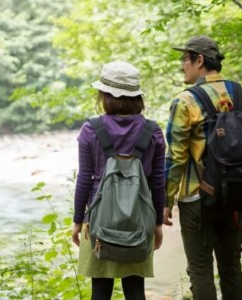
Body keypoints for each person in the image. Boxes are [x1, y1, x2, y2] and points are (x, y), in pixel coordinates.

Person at [164, 36, 242, 300]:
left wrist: (165, 201)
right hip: (237, 196)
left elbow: (175, 157)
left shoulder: (185, 101)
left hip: (198, 199)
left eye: (184, 59)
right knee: (231, 269)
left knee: (200, 270)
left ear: (199, 60)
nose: (182, 65)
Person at [71, 61, 166, 300]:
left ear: (105, 95)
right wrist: (157, 224)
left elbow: (84, 178)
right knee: (136, 291)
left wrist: (77, 220)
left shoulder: (91, 129)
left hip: (98, 220)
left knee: (99, 292)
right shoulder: (152, 131)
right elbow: (157, 182)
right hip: (139, 220)